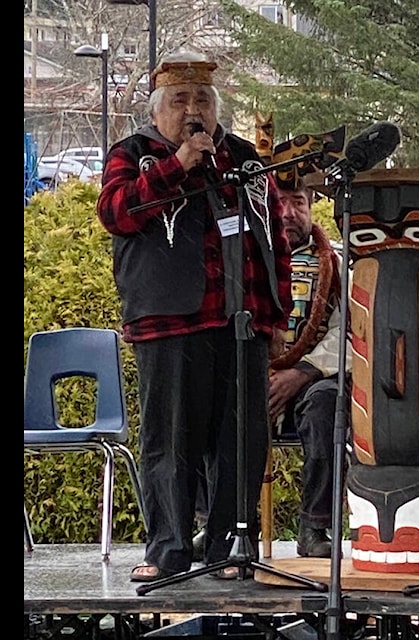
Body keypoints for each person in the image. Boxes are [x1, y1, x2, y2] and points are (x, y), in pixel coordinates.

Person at [96, 50, 293, 582]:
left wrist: (276, 315)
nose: (193, 110)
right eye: (180, 100)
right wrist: (177, 166)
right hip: (168, 321)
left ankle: (232, 546)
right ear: (158, 110)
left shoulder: (246, 159)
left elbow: (272, 239)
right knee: (170, 440)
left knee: (241, 441)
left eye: (202, 100)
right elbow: (117, 213)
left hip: (240, 321)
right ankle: (168, 549)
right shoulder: (132, 154)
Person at [267, 179, 350, 558]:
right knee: (205, 400)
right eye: (280, 203)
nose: (288, 213)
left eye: (298, 202)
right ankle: (220, 528)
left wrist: (302, 371)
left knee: (327, 407)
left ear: (311, 206)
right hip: (255, 374)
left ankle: (315, 526)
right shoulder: (244, 259)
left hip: (314, 376)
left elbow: (351, 331)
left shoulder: (336, 263)